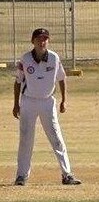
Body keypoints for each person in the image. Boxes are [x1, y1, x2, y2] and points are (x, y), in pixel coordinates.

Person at [12, 28, 81, 186]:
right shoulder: (25, 59)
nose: (42, 42)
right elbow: (17, 82)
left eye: (45, 39)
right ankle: (21, 176)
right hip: (28, 101)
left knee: (56, 137)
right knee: (26, 139)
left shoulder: (54, 58)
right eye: (38, 39)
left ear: (48, 41)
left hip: (48, 101)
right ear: (33, 41)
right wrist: (16, 104)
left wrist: (64, 100)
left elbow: (61, 79)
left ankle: (67, 174)